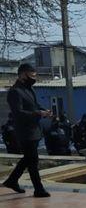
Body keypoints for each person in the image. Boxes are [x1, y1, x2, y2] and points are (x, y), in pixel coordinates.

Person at [2, 64, 52, 197]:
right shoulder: (15, 91)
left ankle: (12, 181)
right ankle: (38, 189)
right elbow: (18, 112)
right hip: (24, 131)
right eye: (32, 75)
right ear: (22, 75)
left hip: (34, 129)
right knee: (33, 161)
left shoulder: (29, 89)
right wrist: (38, 113)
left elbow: (34, 105)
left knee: (29, 159)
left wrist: (44, 111)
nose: (34, 78)